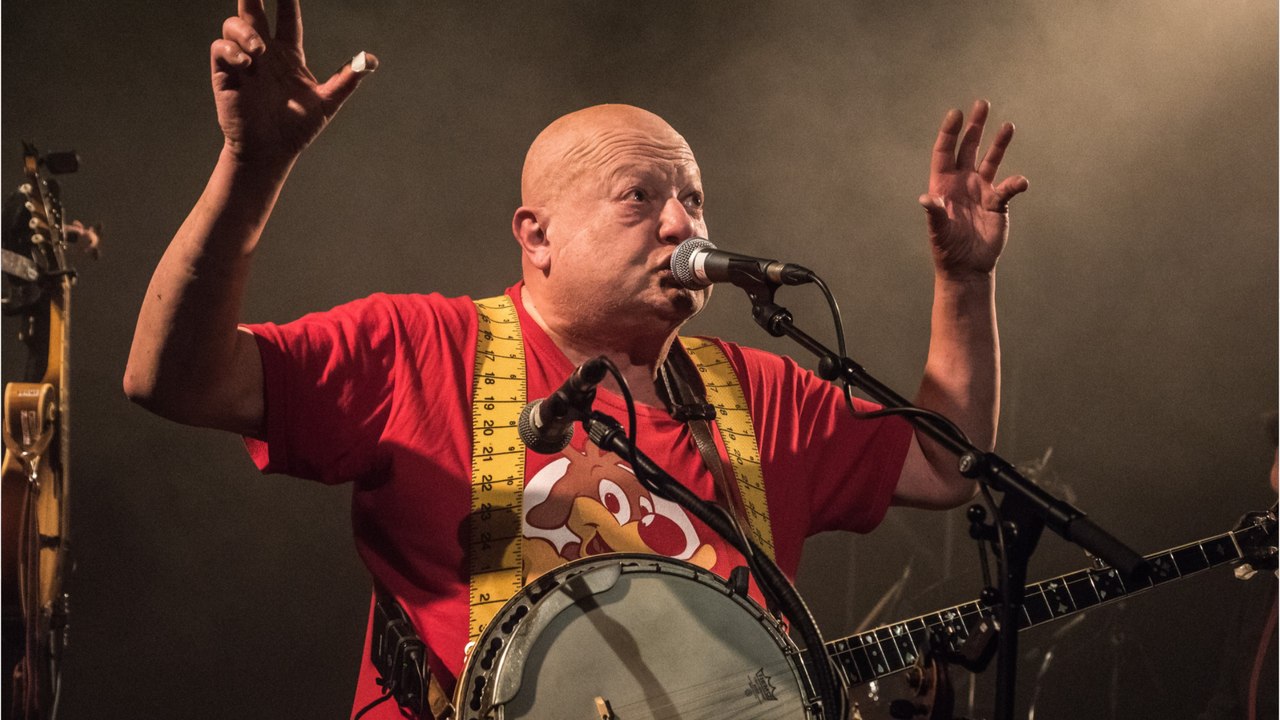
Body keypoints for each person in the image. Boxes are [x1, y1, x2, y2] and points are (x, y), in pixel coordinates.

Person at [123, 1, 1029, 717]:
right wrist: (250, 168)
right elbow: (171, 380)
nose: (682, 225)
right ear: (537, 236)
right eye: (640, 196)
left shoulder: (754, 390)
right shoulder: (420, 349)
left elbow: (942, 463)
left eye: (694, 199)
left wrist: (963, 281)